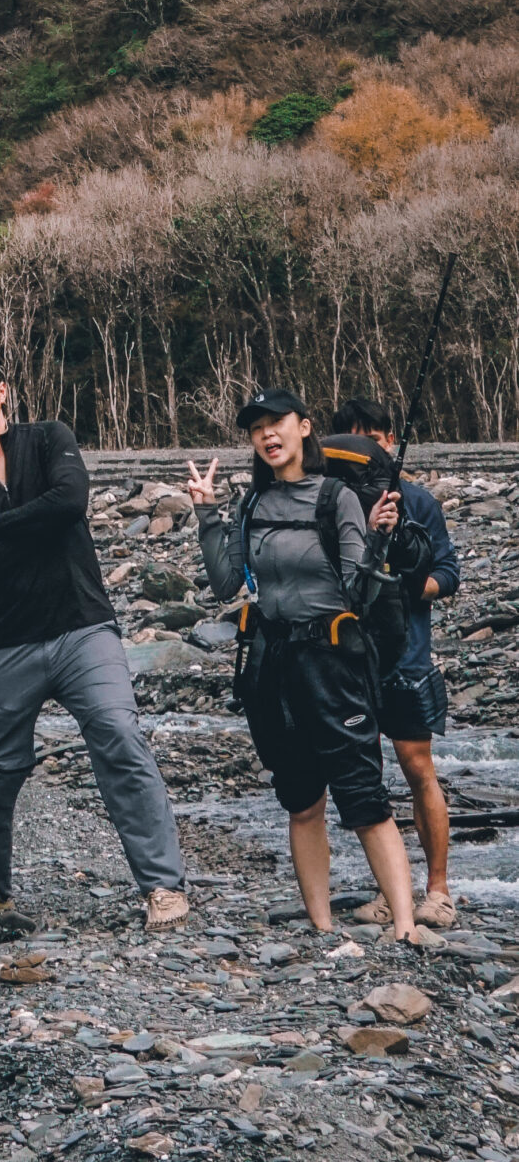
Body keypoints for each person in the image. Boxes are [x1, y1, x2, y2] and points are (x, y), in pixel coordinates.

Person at [0, 352, 189, 934]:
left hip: (82, 627)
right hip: (5, 643)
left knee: (120, 738)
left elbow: (70, 502)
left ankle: (163, 887)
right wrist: (37, 523)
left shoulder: (49, 438)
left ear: (2, 392)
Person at [189, 389, 420, 942]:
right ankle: (321, 927)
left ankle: (406, 925)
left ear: (305, 426)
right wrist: (206, 513)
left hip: (332, 665)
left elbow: (359, 593)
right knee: (301, 800)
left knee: (364, 798)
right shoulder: (251, 504)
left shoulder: (336, 498)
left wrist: (377, 537)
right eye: (257, 428)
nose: (268, 434)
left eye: (278, 422)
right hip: (271, 666)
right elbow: (225, 583)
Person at [328, 396, 462, 930]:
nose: (370, 449)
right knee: (367, 775)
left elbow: (447, 573)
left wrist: (406, 586)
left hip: (405, 656)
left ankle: (438, 890)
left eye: (377, 439)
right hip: (349, 657)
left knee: (417, 766)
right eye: (356, 440)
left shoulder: (418, 501)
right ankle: (393, 891)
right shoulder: (332, 499)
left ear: (391, 441)